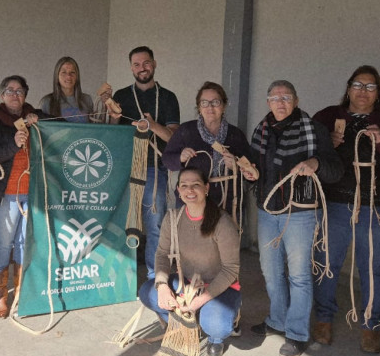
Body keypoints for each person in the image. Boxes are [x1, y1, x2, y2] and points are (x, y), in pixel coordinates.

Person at [311, 66, 380, 353]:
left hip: (376, 206)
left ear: (378, 93)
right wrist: (325, 144)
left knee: (374, 268)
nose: (363, 91)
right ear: (348, 88)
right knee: (326, 264)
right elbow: (306, 150)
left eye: (370, 86)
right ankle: (324, 319)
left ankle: (371, 324)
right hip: (335, 204)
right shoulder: (328, 116)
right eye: (357, 84)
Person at [243, 80, 343, 356]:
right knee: (271, 271)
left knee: (298, 275)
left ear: (296, 101)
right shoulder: (261, 131)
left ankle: (297, 333)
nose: (280, 102)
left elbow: (335, 169)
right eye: (275, 98)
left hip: (301, 213)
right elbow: (253, 166)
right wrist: (248, 171)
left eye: (286, 97)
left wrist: (316, 164)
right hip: (267, 210)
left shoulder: (314, 130)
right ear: (268, 103)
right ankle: (277, 320)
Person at [138, 167, 241, 356]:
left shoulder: (222, 222)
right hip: (186, 284)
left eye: (196, 185)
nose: (190, 190)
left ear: (206, 188)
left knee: (217, 325)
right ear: (178, 190)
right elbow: (162, 254)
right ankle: (182, 323)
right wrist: (162, 286)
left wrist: (199, 301)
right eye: (184, 185)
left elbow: (230, 270)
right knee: (147, 292)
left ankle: (215, 337)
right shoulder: (173, 218)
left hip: (218, 287)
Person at [108, 46, 180, 278]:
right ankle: (119, 277)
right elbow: (112, 134)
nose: (142, 68)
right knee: (120, 222)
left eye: (146, 63)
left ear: (154, 64)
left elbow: (172, 138)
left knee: (155, 224)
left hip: (153, 169)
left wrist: (152, 126)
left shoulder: (168, 97)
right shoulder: (121, 96)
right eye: (137, 64)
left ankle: (154, 277)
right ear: (131, 68)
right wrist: (113, 118)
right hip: (124, 169)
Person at [0, 75, 42, 318]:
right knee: (3, 243)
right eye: (9, 90)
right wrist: (14, 143)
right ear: (1, 95)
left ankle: (20, 293)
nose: (15, 94)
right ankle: (0, 294)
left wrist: (37, 123)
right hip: (4, 193)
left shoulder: (36, 116)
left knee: (24, 244)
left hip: (31, 190)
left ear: (25, 94)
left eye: (20, 91)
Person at [163, 81, 251, 211]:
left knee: (225, 231)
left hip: (227, 200)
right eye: (204, 103)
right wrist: (180, 157)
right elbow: (166, 160)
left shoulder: (236, 135)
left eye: (215, 102)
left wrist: (236, 165)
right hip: (191, 199)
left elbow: (251, 170)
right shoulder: (186, 130)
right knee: (190, 231)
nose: (210, 107)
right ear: (199, 107)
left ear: (224, 106)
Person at [39, 57, 100, 123]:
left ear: (77, 76)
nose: (68, 76)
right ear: (57, 76)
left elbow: (93, 127)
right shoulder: (46, 102)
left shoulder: (87, 100)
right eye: (64, 72)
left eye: (72, 72)